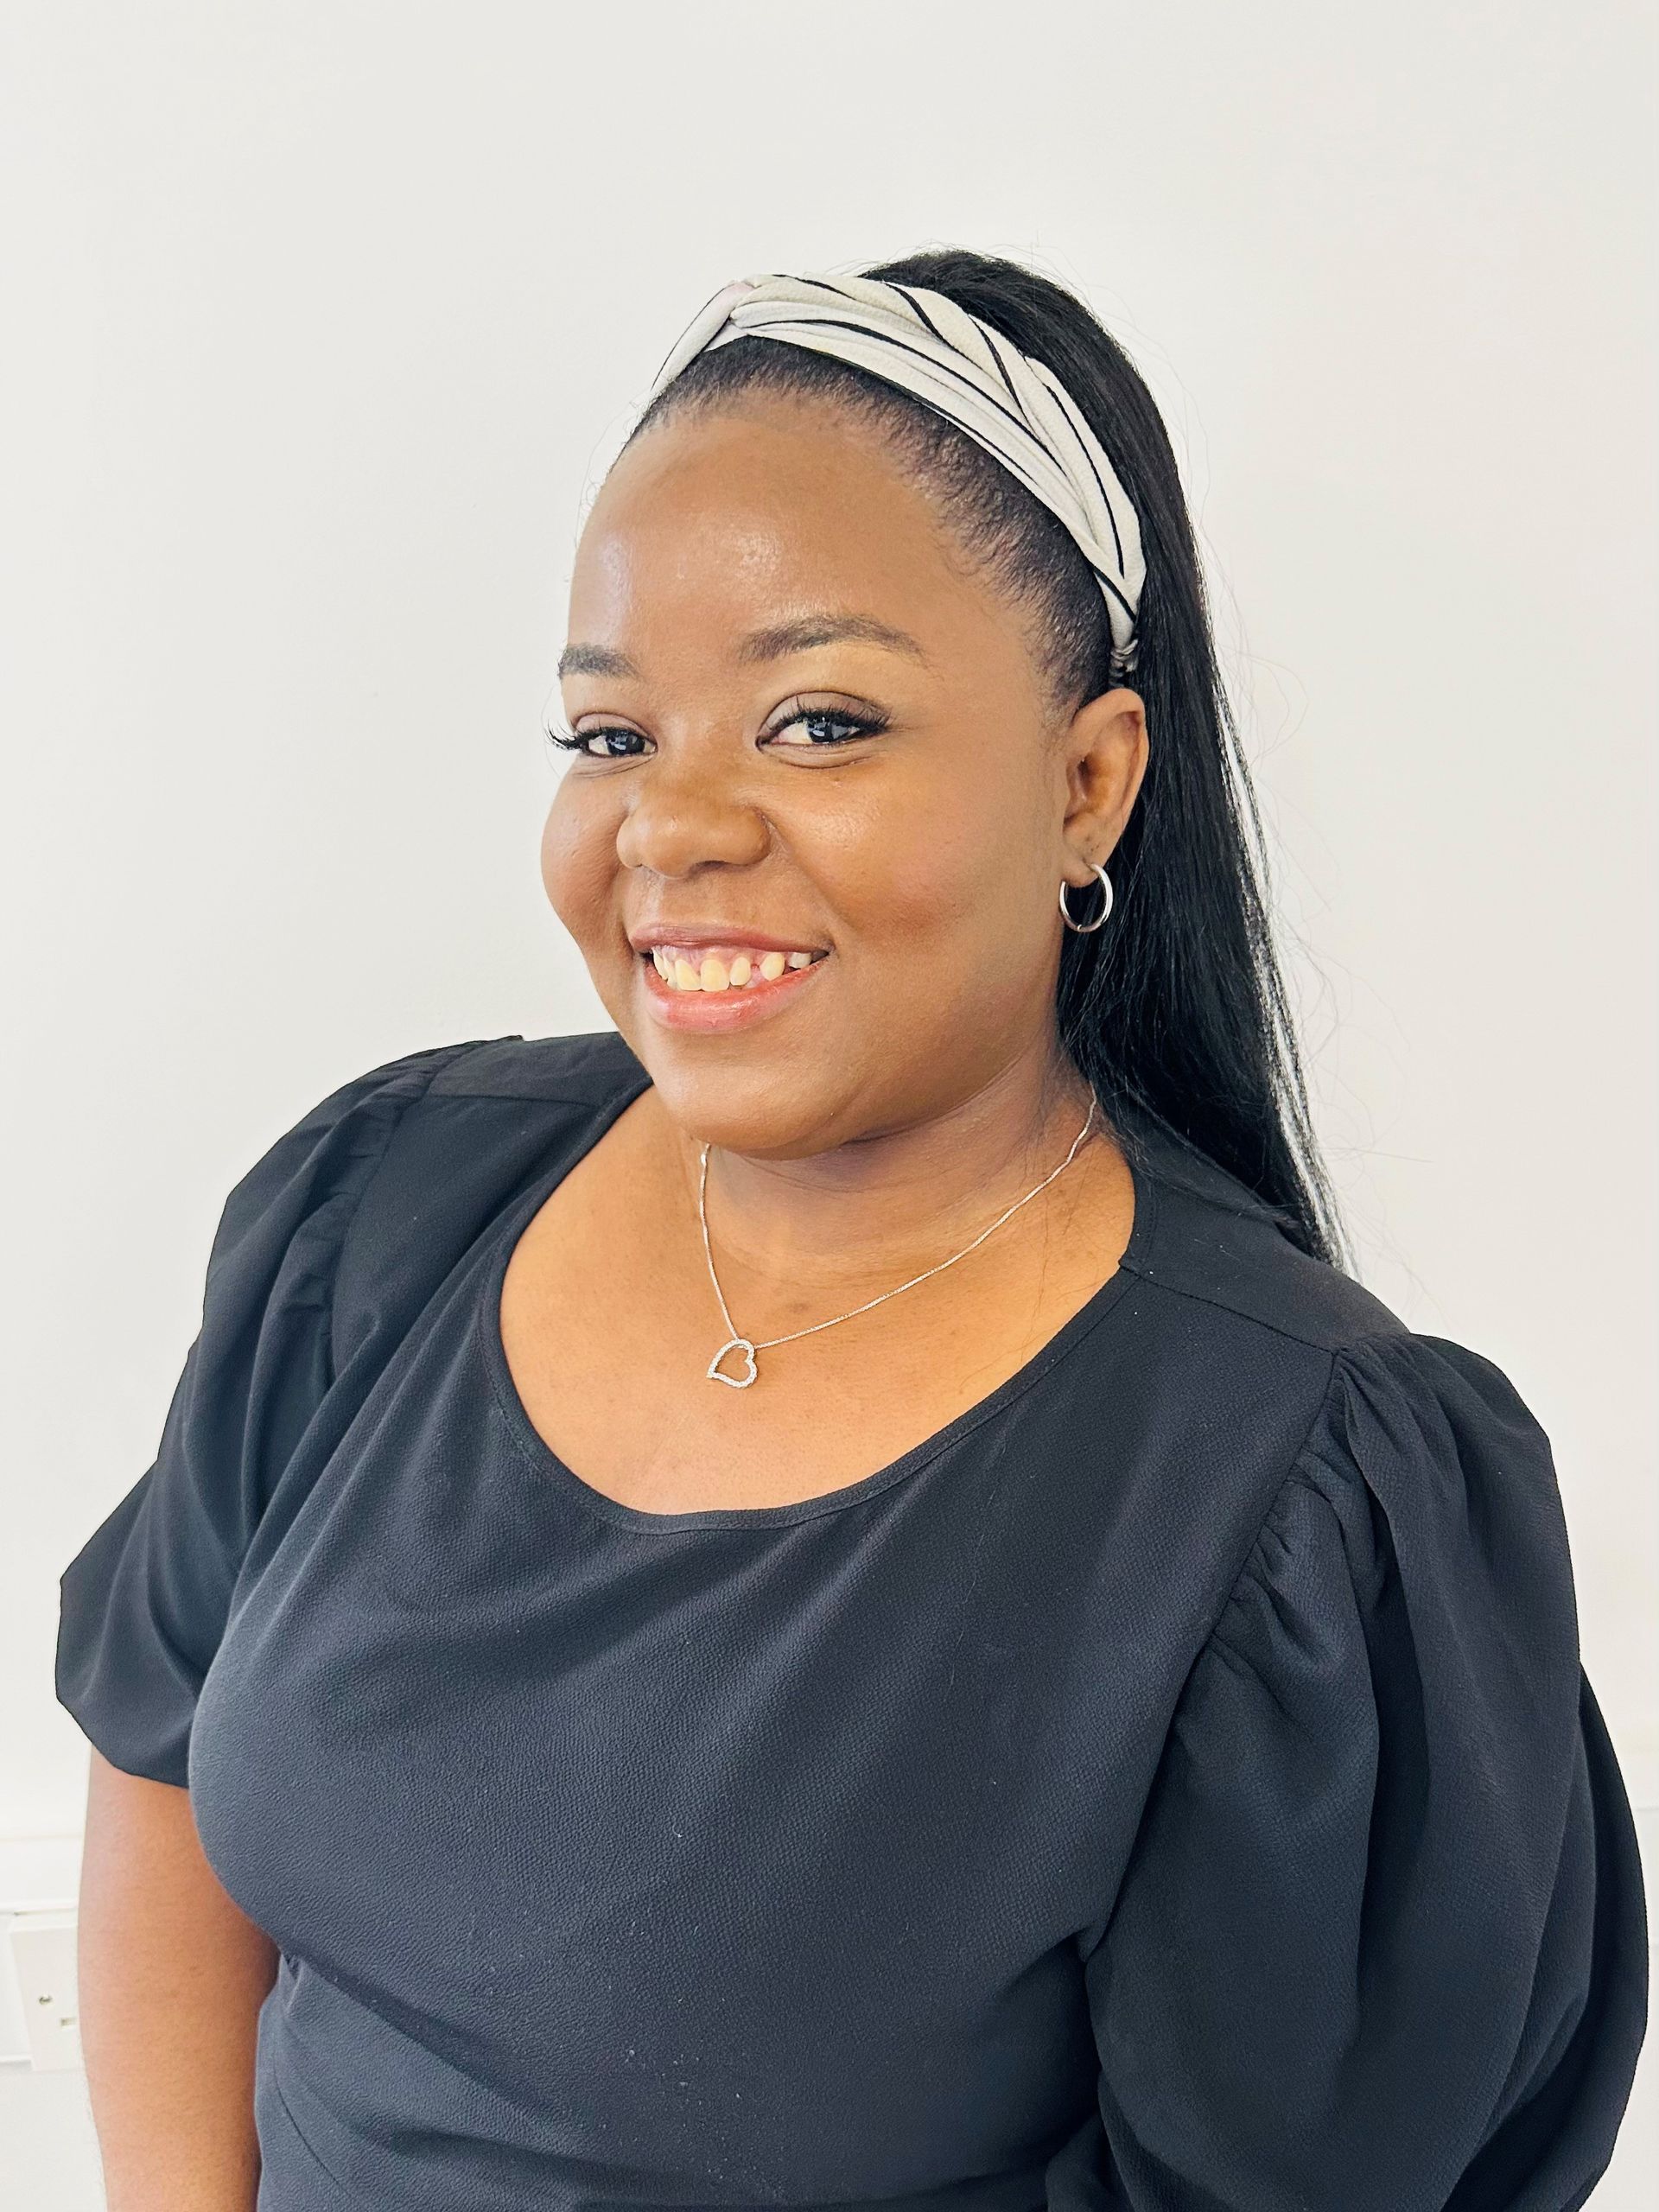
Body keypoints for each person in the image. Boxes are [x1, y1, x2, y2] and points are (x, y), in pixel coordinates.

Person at [58, 249, 1648, 2210]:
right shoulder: (384, 1210)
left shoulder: (1298, 1500)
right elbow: (159, 1757)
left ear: (1090, 779)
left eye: (817, 722)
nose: (676, 826)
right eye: (612, 735)